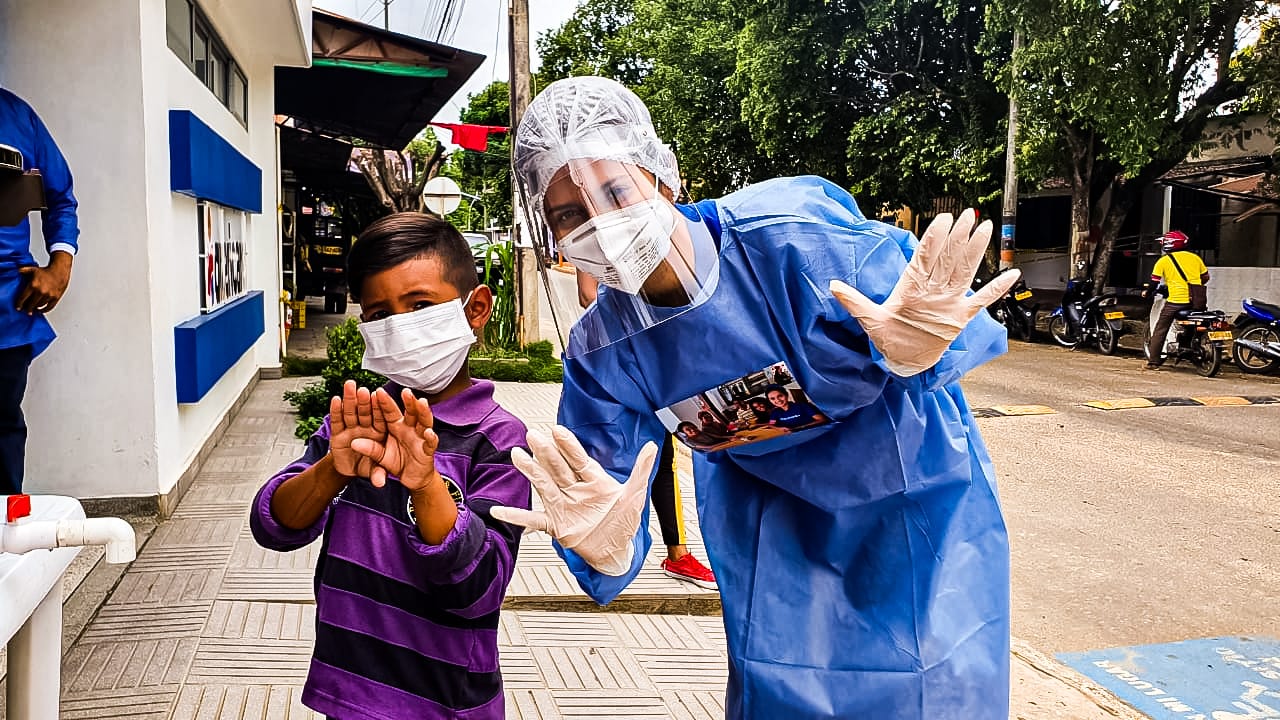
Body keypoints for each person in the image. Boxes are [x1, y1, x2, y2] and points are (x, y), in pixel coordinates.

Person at [493, 76, 1020, 719]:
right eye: (569, 213)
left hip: (918, 518)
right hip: (773, 551)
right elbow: (605, 494)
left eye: (616, 189)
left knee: (933, 692)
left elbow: (936, 317)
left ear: (665, 176)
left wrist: (915, 346)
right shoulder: (605, 351)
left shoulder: (789, 235)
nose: (600, 223)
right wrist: (600, 546)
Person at [249, 213, 531, 720]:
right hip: (347, 692)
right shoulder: (361, 421)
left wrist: (425, 486)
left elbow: (479, 590)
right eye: (378, 314)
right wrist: (332, 470)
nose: (398, 327)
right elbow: (274, 524)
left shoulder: (500, 440)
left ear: (477, 309)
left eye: (420, 306)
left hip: (444, 704)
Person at [575, 271, 716, 589]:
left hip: (652, 359)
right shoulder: (588, 242)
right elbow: (587, 295)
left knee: (662, 454)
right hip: (614, 361)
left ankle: (676, 554)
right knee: (614, 452)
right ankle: (606, 545)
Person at [0, 89, 79, 496]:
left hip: (6, 312)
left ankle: (5, 546)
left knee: (2, 427)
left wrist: (60, 266)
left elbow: (60, 198)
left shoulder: (16, 116)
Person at [1143, 230, 1210, 369]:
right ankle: (1188, 346)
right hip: (1196, 302)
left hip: (1176, 302)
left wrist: (1147, 293)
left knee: (1160, 328)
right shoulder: (1195, 258)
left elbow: (1154, 283)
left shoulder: (1163, 261)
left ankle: (1153, 361)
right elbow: (1205, 278)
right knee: (1195, 323)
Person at [763, 385, 827, 430]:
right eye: (772, 398)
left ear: (786, 395)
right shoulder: (775, 412)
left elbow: (822, 419)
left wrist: (800, 427)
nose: (777, 400)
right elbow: (771, 424)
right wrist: (779, 428)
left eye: (780, 396)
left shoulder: (802, 406)